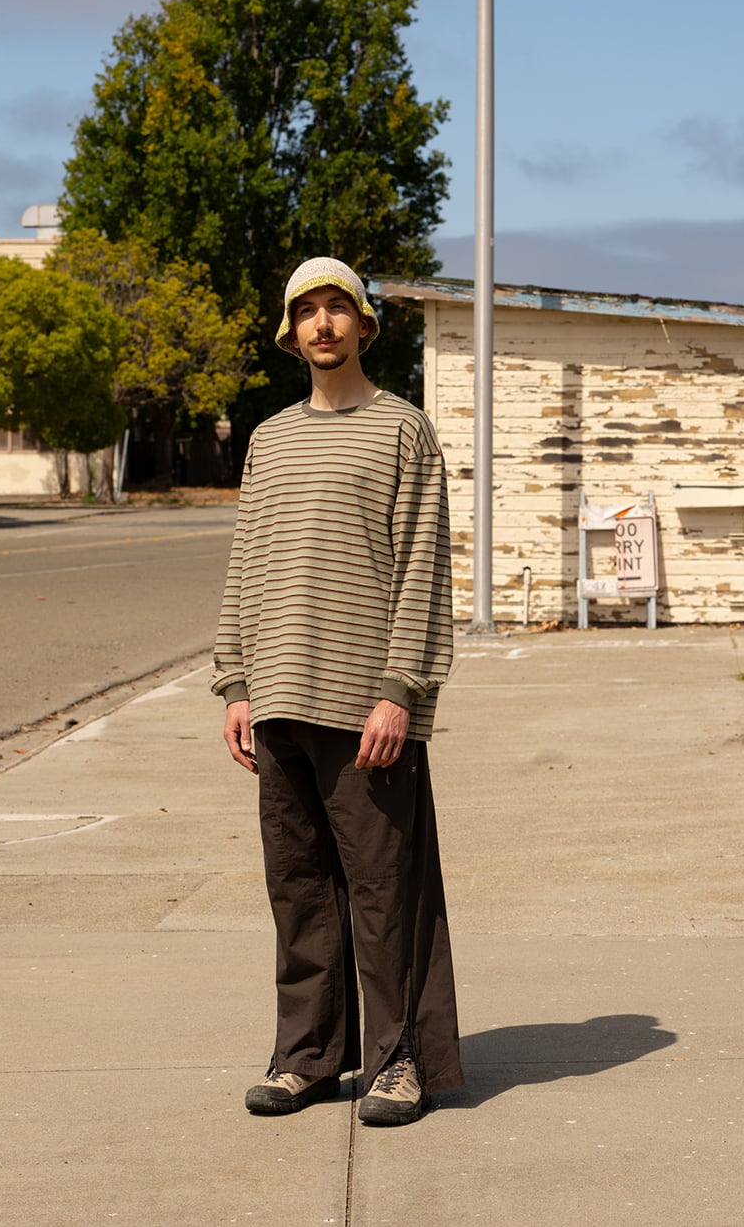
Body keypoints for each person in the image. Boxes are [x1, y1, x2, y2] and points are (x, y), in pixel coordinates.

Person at [211, 256, 463, 1127]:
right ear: (291, 332)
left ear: (363, 324)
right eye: (307, 310)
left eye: (337, 308)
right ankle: (308, 1058)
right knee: (300, 891)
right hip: (278, 694)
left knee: (388, 893)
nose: (323, 323)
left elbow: (424, 568)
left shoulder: (404, 431)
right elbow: (246, 564)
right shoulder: (269, 439)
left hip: (365, 707)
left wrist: (400, 690)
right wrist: (235, 680)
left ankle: (401, 1062)